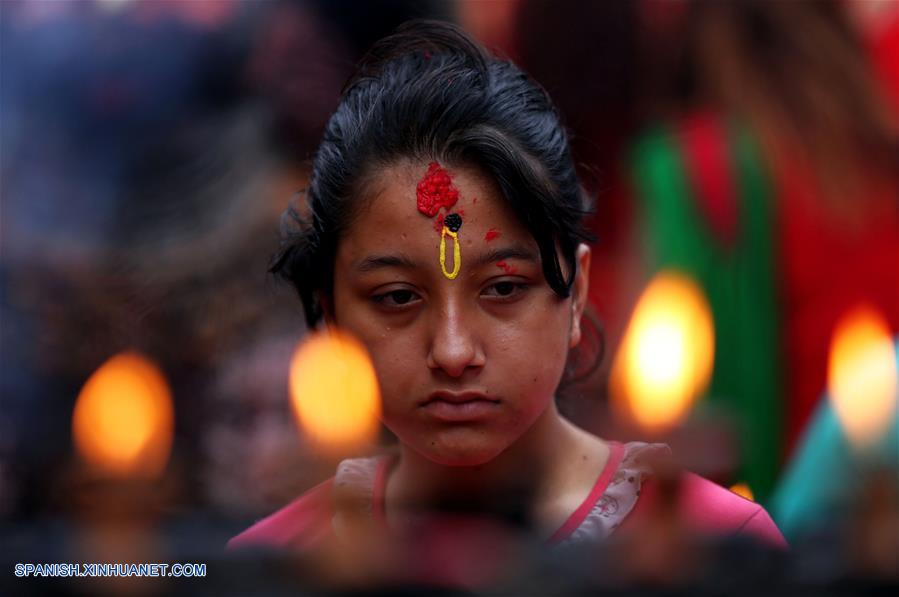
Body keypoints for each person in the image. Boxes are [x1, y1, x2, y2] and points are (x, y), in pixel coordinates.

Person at [228, 20, 785, 580]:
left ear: (577, 294)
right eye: (397, 296)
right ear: (331, 317)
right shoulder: (283, 562)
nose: (452, 351)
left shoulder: (711, 548)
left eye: (502, 289)